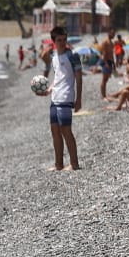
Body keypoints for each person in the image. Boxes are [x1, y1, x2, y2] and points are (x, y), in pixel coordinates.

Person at [40, 25, 83, 170]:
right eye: (59, 40)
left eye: (64, 39)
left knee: (66, 131)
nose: (63, 42)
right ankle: (58, 165)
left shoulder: (72, 55)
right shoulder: (53, 57)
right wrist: (49, 89)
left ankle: (74, 164)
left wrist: (78, 99)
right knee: (55, 132)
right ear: (54, 41)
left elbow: (79, 78)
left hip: (66, 97)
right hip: (55, 97)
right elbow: (58, 77)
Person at [98, 34, 116, 99]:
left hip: (110, 61)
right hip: (106, 61)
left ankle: (104, 94)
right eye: (112, 33)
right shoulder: (105, 42)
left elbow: (111, 54)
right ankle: (103, 96)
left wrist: (113, 63)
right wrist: (106, 63)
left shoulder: (111, 43)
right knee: (104, 79)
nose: (114, 35)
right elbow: (103, 53)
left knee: (106, 79)